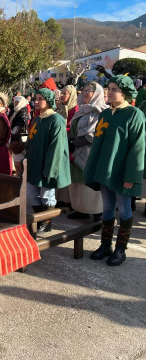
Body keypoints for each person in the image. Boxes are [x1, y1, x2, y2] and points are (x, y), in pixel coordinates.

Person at [84, 75, 145, 266]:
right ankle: (105, 245)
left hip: (121, 173)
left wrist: (131, 177)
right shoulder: (105, 114)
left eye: (114, 89)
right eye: (108, 88)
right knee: (107, 208)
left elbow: (137, 148)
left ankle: (121, 249)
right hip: (104, 171)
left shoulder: (134, 114)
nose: (109, 92)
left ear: (125, 93)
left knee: (125, 210)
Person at [26, 88, 71, 232]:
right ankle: (40, 218)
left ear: (49, 101)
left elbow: (57, 147)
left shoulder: (56, 119)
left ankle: (46, 222)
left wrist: (50, 169)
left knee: (47, 195)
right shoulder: (37, 119)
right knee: (31, 195)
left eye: (40, 99)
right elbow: (31, 142)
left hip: (47, 164)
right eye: (36, 98)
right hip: (34, 164)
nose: (37, 101)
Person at [67, 82, 108, 221]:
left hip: (90, 152)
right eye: (84, 90)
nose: (85, 93)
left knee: (90, 183)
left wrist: (76, 142)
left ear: (97, 94)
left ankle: (97, 212)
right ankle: (81, 209)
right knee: (77, 182)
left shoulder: (101, 111)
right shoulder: (81, 110)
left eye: (89, 91)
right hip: (76, 150)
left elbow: (95, 133)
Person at [8, 96, 30, 176]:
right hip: (13, 137)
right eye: (15, 101)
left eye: (18, 102)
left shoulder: (23, 111)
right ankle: (18, 176)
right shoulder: (14, 110)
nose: (16, 103)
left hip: (20, 139)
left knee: (19, 162)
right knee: (16, 161)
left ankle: (20, 178)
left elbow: (21, 125)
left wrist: (13, 131)